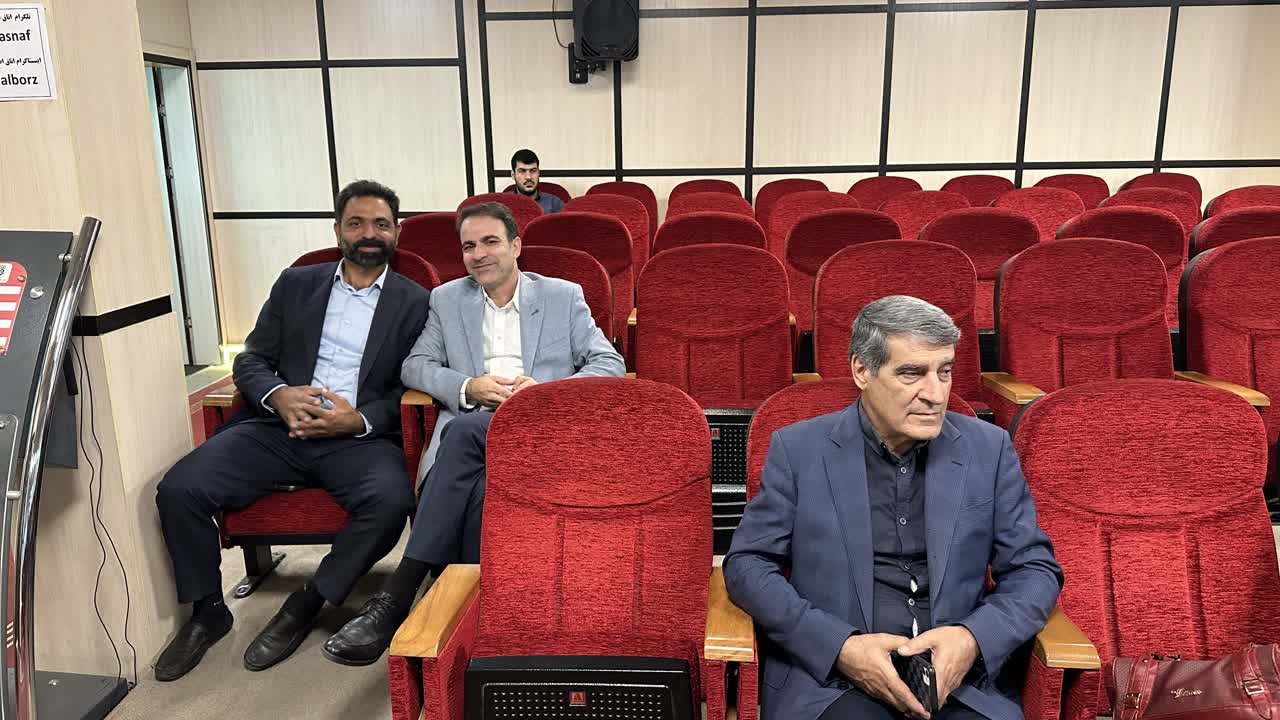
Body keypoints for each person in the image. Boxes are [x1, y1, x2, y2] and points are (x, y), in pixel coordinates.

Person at [724, 295, 1063, 720]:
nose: (935, 394)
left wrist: (972, 638)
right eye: (912, 373)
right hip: (835, 684)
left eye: (944, 372)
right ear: (862, 371)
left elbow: (1035, 570)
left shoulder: (988, 449)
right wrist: (839, 646)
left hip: (960, 685)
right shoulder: (798, 449)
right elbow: (748, 566)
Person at [322, 201, 624, 666]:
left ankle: (399, 595)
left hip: (541, 429)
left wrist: (544, 394)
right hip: (473, 431)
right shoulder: (446, 300)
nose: (478, 254)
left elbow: (609, 364)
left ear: (516, 246)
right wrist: (468, 387)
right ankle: (474, 625)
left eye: (490, 242)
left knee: (462, 435)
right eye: (468, 246)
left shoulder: (563, 295)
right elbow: (415, 365)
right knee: (475, 477)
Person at [152, 180, 430, 681]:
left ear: (397, 232)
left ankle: (308, 600)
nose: (369, 234)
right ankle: (207, 610)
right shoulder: (296, 283)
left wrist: (359, 418)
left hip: (357, 439)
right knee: (180, 489)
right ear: (338, 230)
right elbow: (252, 358)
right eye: (357, 223)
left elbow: (415, 385)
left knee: (391, 502)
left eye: (381, 224)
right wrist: (279, 396)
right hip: (278, 428)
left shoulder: (417, 301)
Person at [509, 148, 563, 213]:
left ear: (538, 173)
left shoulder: (554, 203)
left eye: (533, 171)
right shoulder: (504, 203)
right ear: (513, 175)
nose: (528, 177)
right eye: (522, 171)